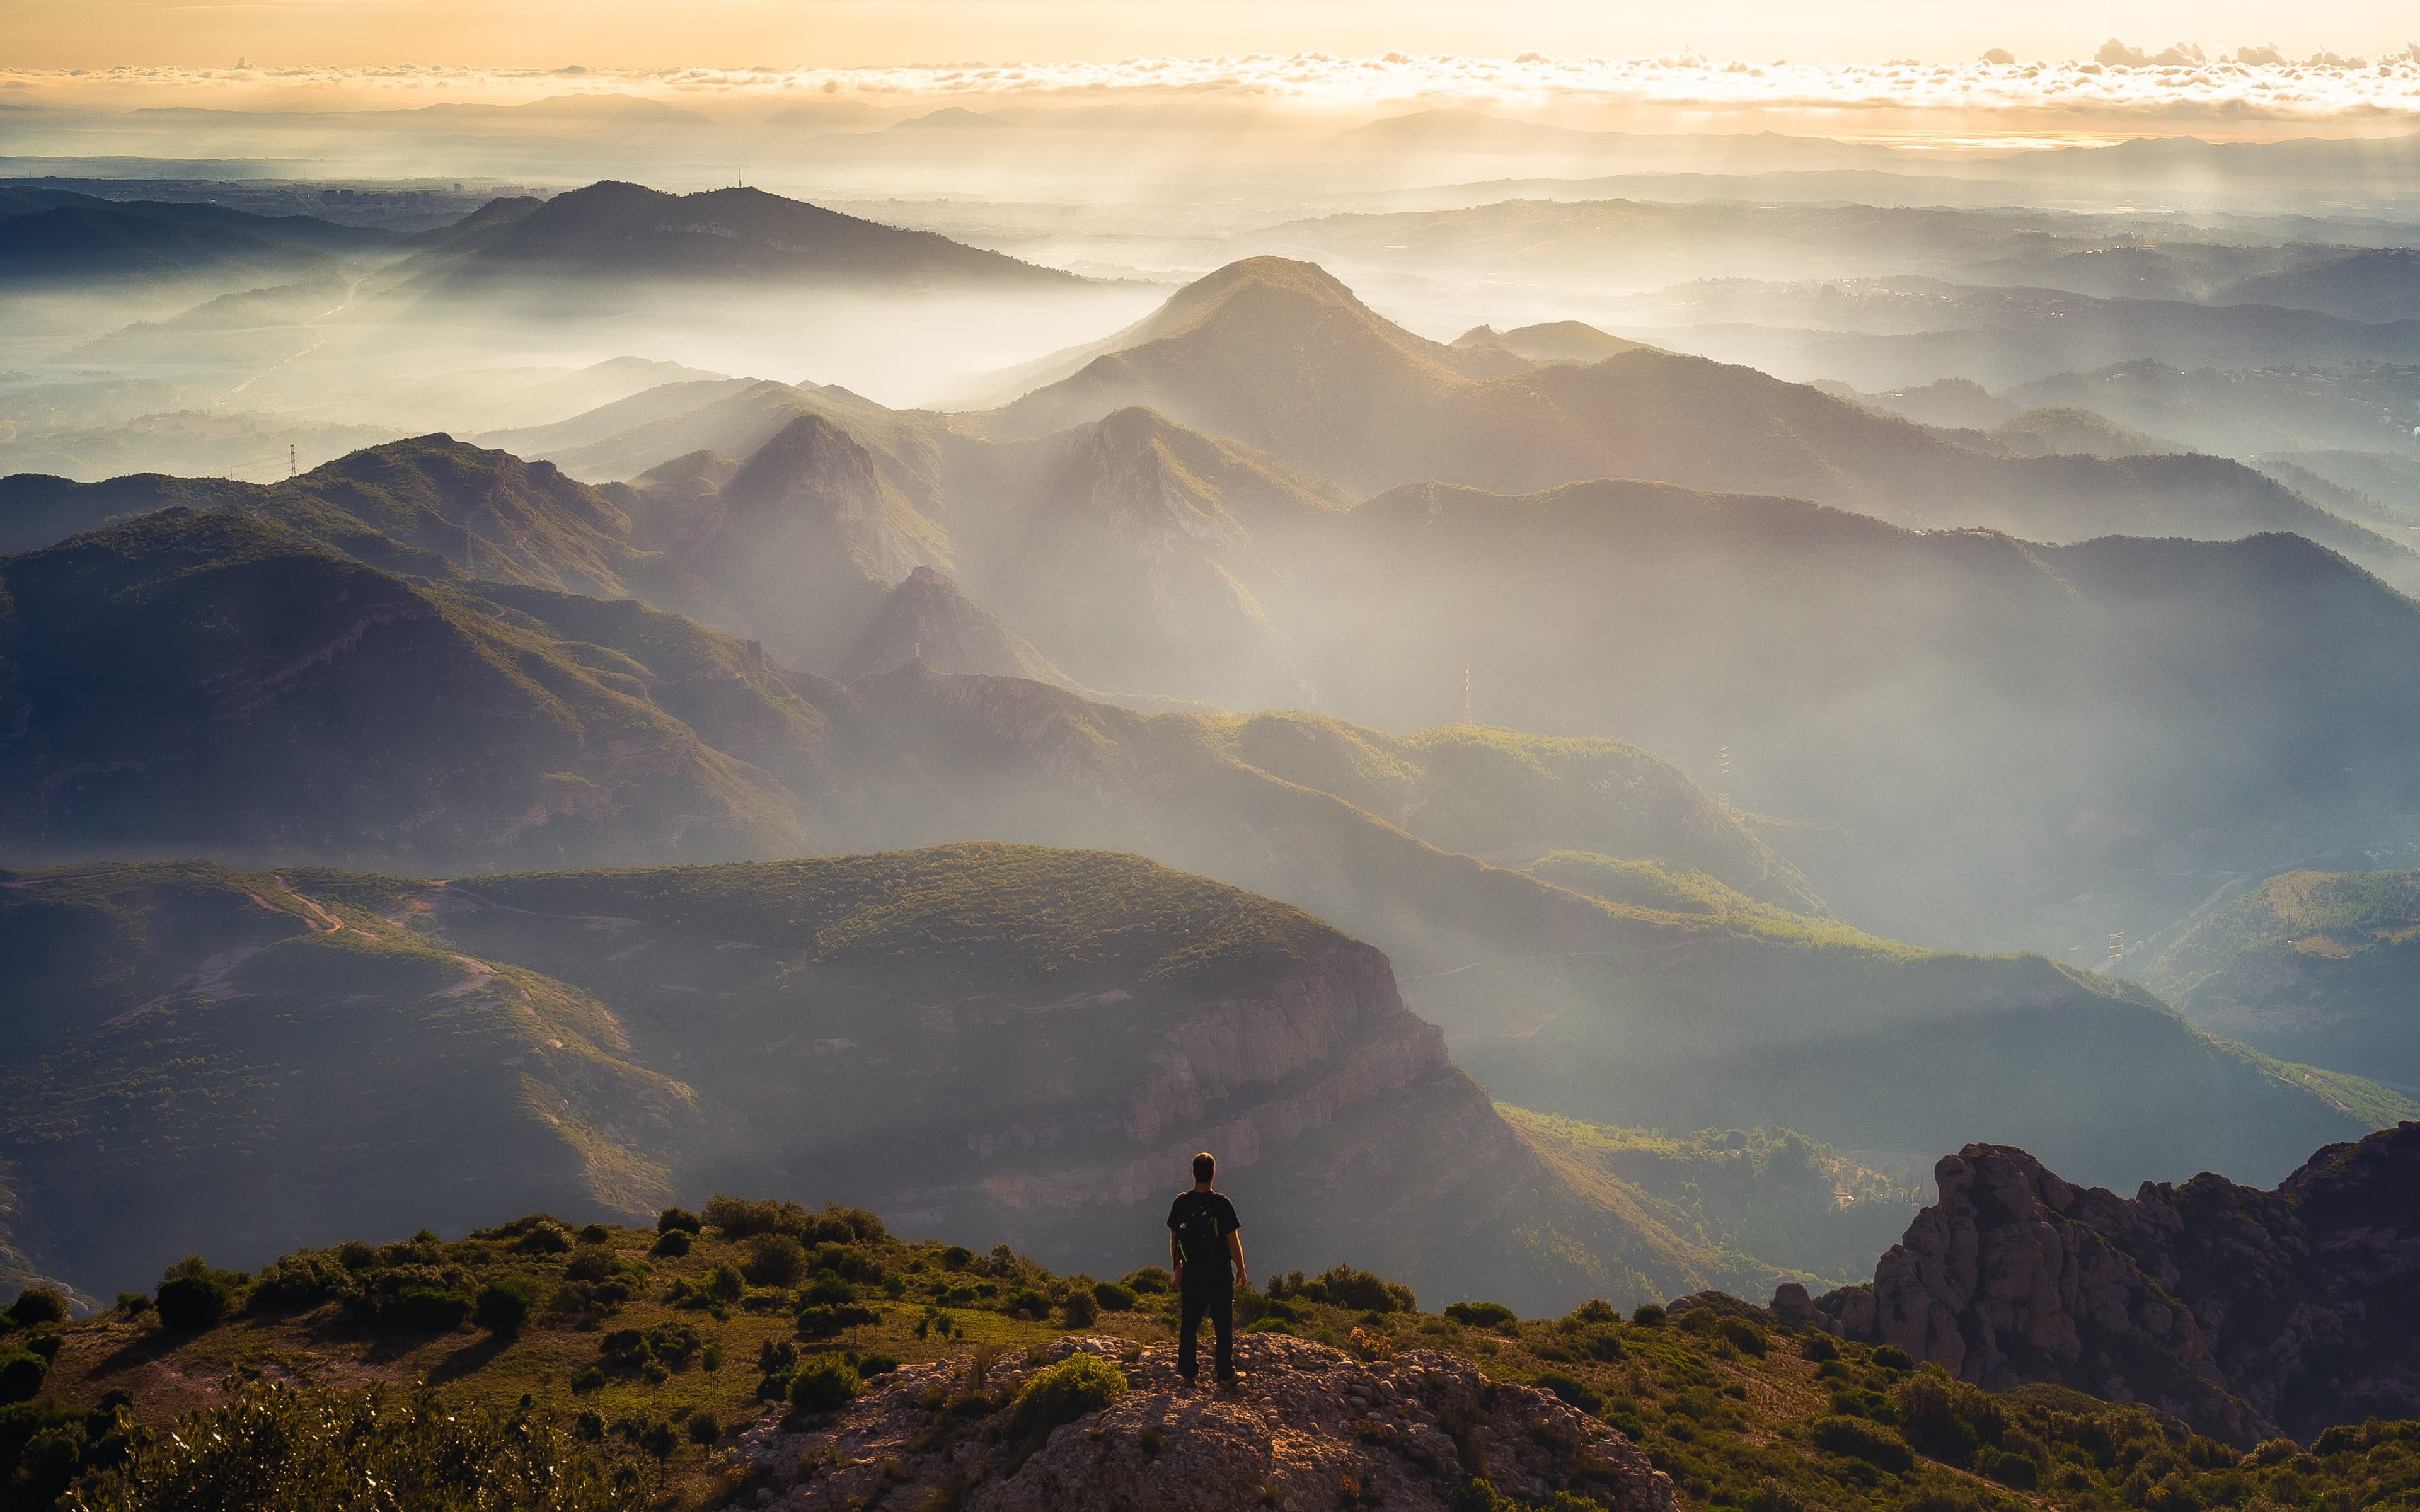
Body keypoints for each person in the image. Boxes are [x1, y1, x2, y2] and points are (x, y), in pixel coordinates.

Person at [1166, 1150, 1246, 1387]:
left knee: (1189, 1324)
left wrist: (1177, 1266)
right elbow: (1233, 1241)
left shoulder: (1181, 1202)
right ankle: (1224, 1374)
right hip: (1219, 1273)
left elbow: (1174, 1238)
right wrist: (1240, 1268)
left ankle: (1189, 1372)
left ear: (1193, 1173)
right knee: (1223, 1325)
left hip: (1191, 1272)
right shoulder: (1221, 1203)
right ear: (1213, 1174)